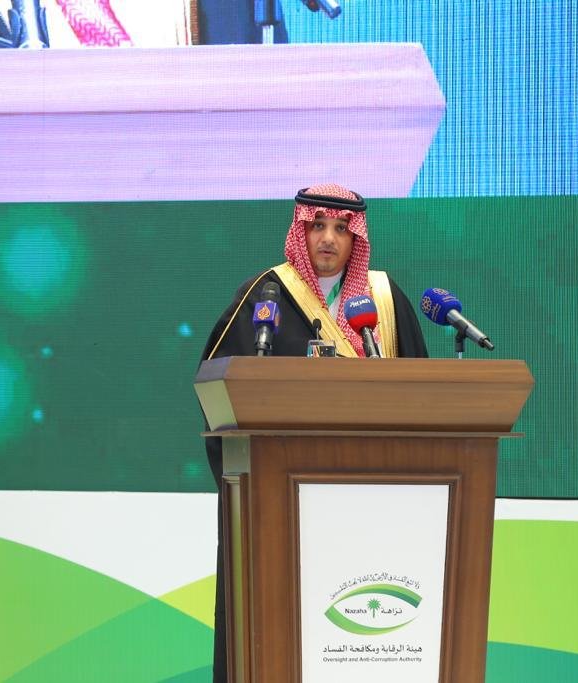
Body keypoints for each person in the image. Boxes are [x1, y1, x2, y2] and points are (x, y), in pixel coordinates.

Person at [198, 183, 428, 682]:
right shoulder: (267, 295)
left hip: (373, 503)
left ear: (356, 237)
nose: (328, 238)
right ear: (300, 232)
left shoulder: (383, 300)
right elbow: (218, 396)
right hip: (280, 504)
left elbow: (421, 394)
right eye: (318, 226)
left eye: (342, 229)